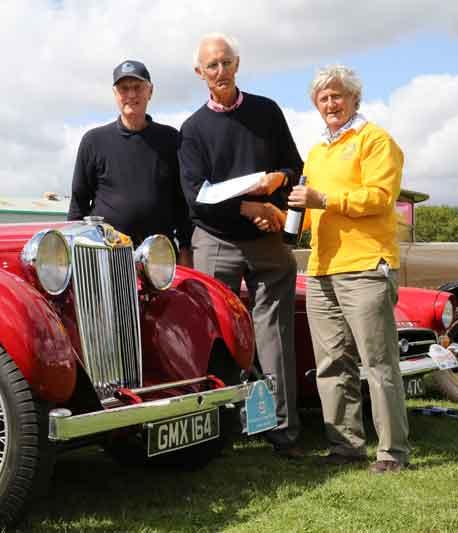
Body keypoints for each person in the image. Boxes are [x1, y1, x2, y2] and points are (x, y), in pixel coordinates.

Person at [178, 33, 303, 457]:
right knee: (218, 336)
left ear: (238, 63)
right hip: (216, 239)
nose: (220, 72)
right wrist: (250, 208)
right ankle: (223, 428)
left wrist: (278, 187)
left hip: (267, 241)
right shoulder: (192, 130)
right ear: (200, 73)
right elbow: (197, 196)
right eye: (211, 66)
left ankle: (282, 429)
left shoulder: (266, 111)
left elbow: (295, 165)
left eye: (226, 63)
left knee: (274, 334)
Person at [287, 65, 409, 473]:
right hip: (321, 269)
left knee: (378, 363)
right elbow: (311, 213)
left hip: (366, 266)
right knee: (332, 364)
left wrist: (324, 198)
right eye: (323, 98)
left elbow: (378, 197)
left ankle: (392, 453)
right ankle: (344, 447)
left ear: (355, 98)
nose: (330, 103)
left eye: (337, 95)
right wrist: (275, 218)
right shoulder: (317, 151)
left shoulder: (375, 140)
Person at [68, 60, 192, 265]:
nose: (131, 95)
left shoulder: (171, 140)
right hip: (105, 257)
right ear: (115, 94)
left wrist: (186, 248)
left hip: (159, 259)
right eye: (124, 89)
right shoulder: (94, 141)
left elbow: (182, 203)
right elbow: (78, 204)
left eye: (137, 88)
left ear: (150, 92)